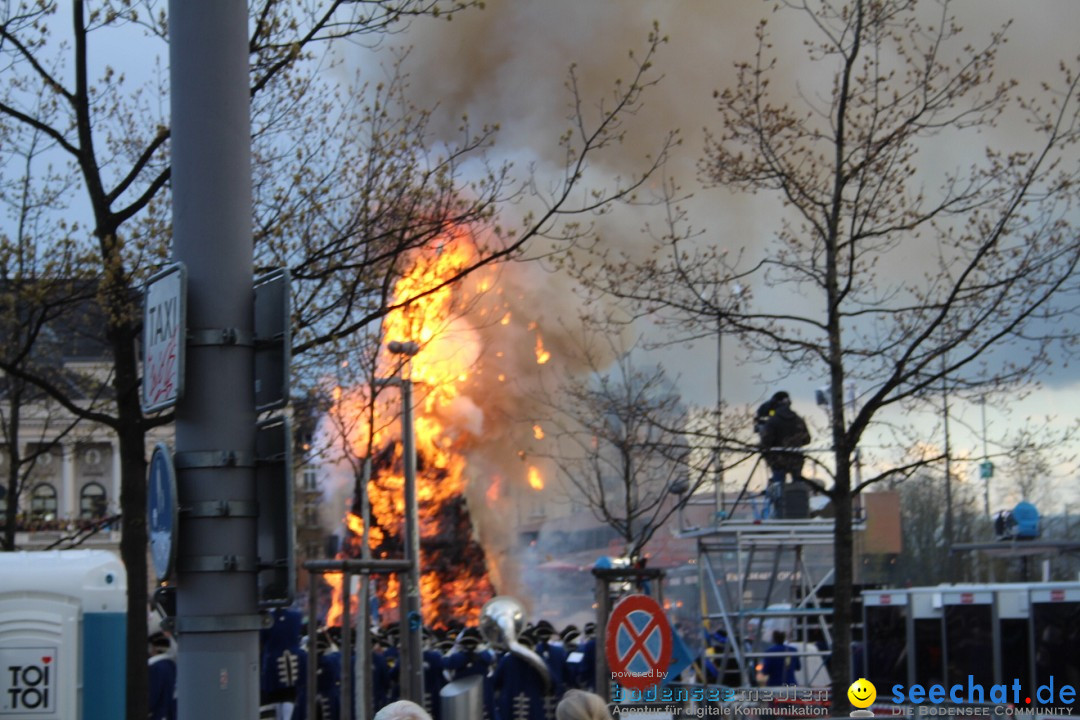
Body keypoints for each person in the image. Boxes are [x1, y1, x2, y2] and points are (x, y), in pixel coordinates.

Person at [756, 392, 811, 516]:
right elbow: (807, 439)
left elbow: (766, 442)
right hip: (797, 460)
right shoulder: (798, 420)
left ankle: (780, 513)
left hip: (778, 460)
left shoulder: (773, 421)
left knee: (778, 486)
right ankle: (800, 513)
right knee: (798, 486)